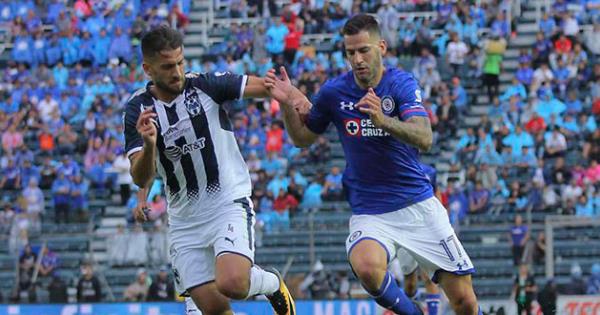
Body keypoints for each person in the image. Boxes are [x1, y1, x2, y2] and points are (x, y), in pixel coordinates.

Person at [265, 14, 480, 315]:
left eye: (364, 50)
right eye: (350, 52)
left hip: (417, 205)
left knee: (465, 303)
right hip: (371, 211)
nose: (357, 59)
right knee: (366, 266)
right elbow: (302, 138)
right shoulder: (334, 93)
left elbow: (424, 137)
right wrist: (287, 104)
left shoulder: (400, 84)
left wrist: (383, 120)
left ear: (382, 47)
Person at [123, 26, 295, 315]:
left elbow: (268, 86)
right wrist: (150, 143)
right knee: (214, 310)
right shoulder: (137, 110)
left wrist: (294, 98)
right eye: (167, 66)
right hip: (184, 222)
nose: (177, 72)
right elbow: (141, 176)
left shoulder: (204, 86)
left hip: (225, 202)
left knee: (233, 283)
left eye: (180, 62)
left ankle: (271, 283)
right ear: (148, 69)